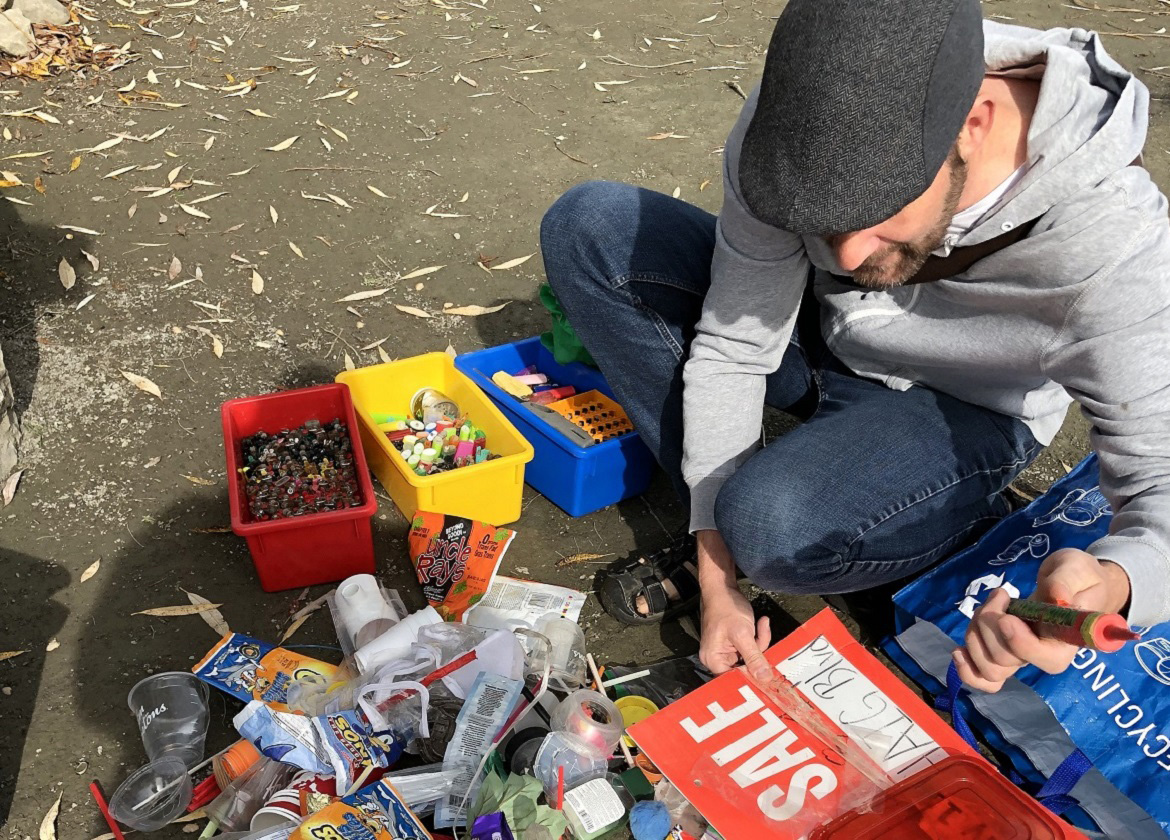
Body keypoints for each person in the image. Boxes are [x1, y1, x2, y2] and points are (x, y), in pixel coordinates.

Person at [540, 0, 1170, 692]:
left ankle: (944, 529)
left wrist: (1111, 583)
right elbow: (735, 347)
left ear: (974, 124)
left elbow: (1161, 487)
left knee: (770, 524)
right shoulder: (800, 119)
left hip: (962, 407)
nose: (843, 253)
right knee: (592, 228)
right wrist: (717, 575)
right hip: (820, 337)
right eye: (818, 220)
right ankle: (740, 521)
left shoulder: (1117, 248)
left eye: (878, 215)